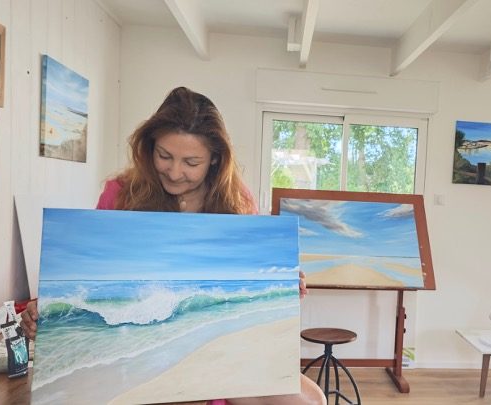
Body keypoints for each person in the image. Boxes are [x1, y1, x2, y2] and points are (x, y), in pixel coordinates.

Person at [21, 87, 326, 405]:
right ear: (149, 146)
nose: (175, 172)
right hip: (138, 349)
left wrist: (284, 282)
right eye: (164, 156)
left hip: (219, 345)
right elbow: (88, 280)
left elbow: (253, 275)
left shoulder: (237, 200)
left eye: (191, 162)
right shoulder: (121, 194)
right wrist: (48, 308)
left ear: (214, 160)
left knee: (311, 400)